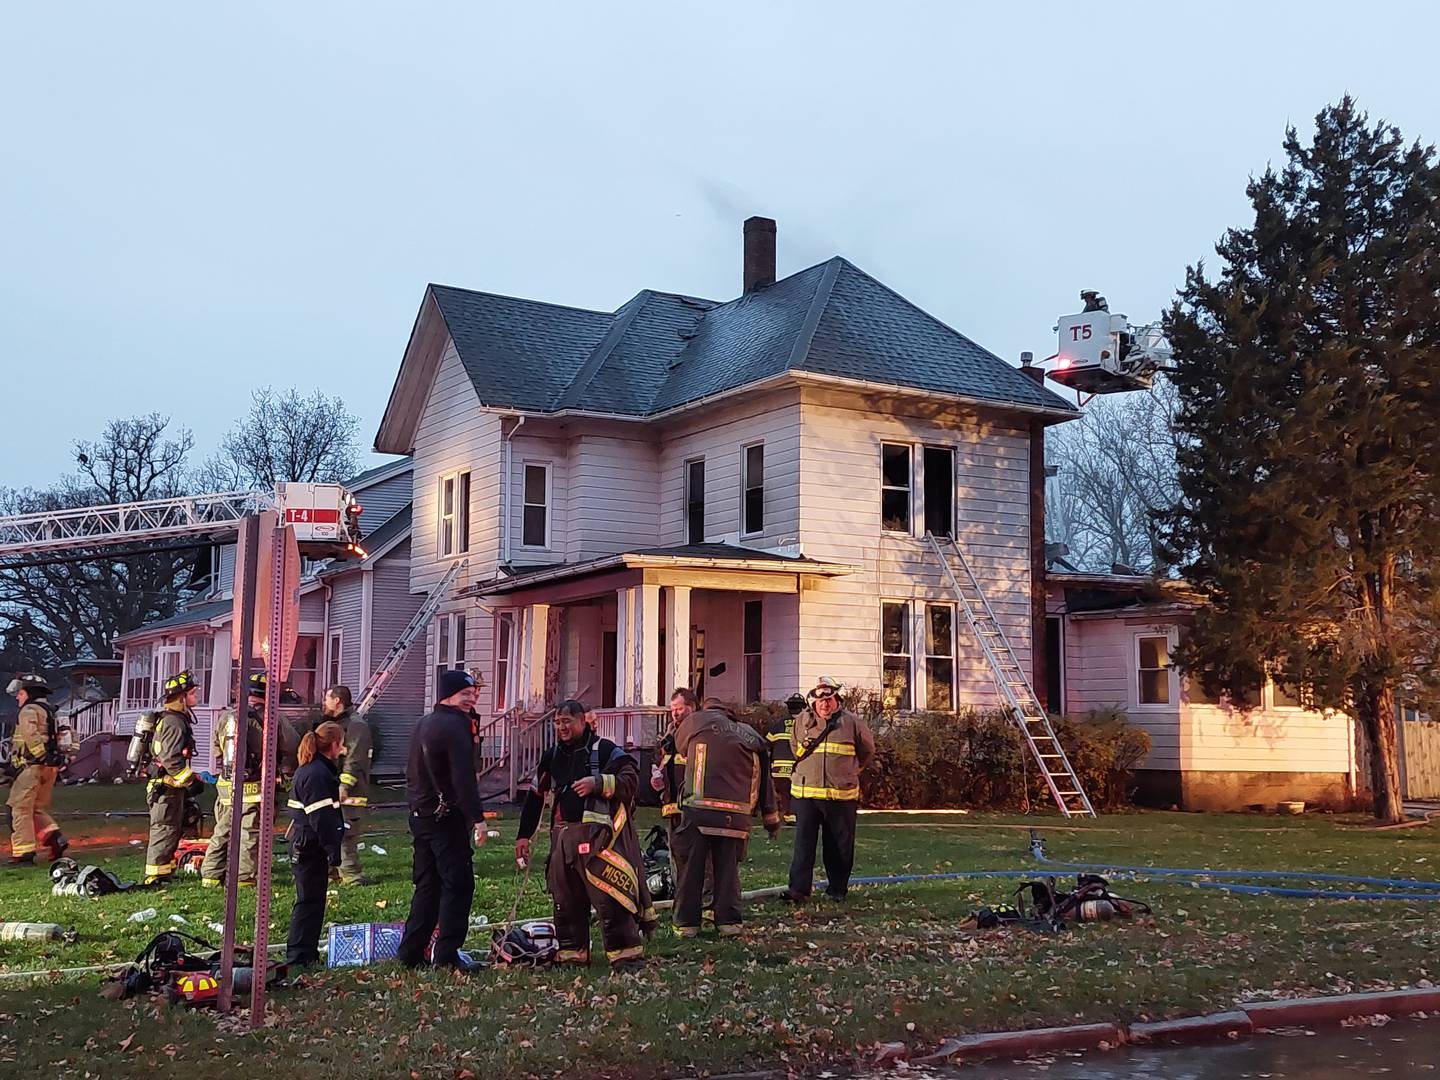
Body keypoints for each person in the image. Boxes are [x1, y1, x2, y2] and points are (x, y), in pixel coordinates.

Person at [515, 699, 648, 971]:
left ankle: (626, 958)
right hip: (562, 839)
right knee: (566, 902)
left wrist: (596, 783)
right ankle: (572, 958)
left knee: (610, 898)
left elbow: (632, 779)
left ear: (582, 721)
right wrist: (523, 836)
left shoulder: (605, 750)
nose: (562, 728)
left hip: (599, 841)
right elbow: (535, 796)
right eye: (557, 723)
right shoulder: (552, 756)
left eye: (567, 722)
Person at [397, 670, 488, 971]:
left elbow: (411, 772)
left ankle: (411, 952)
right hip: (445, 818)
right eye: (466, 694)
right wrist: (477, 818)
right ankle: (447, 955)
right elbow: (463, 778)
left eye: (474, 693)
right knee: (458, 884)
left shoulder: (424, 723)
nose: (472, 699)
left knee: (428, 885)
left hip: (420, 816)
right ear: (449, 695)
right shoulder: (454, 726)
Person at [671, 702, 780, 938]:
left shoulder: (696, 721)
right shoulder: (751, 735)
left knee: (691, 870)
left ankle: (686, 925)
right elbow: (765, 781)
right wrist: (771, 818)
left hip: (699, 810)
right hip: (736, 816)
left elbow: (680, 747)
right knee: (727, 871)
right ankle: (729, 923)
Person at [787, 676, 875, 903]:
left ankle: (837, 889)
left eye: (829, 700)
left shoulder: (852, 723)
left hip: (841, 796)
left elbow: (866, 751)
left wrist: (850, 772)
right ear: (813, 703)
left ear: (837, 700)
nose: (825, 705)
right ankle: (798, 890)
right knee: (803, 846)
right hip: (807, 794)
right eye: (820, 701)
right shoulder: (801, 722)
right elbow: (794, 747)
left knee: (839, 846)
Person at [285, 721, 346, 969]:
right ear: (333, 745)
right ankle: (300, 955)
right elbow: (321, 818)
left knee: (313, 901)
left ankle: (306, 953)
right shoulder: (317, 775)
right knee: (308, 902)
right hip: (309, 846)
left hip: (307, 843)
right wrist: (333, 850)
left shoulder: (315, 770)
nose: (342, 749)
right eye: (341, 744)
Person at [199, 673, 268, 889]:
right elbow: (291, 745)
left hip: (226, 787)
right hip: (252, 787)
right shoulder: (268, 718)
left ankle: (210, 875)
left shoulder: (225, 717)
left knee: (223, 830)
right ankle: (244, 878)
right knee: (248, 832)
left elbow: (216, 750)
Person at [144, 670, 204, 885]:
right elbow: (170, 758)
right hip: (166, 788)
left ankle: (165, 871)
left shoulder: (175, 720)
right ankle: (155, 876)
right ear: (182, 698)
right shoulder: (173, 722)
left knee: (173, 828)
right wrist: (190, 780)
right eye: (193, 693)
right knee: (164, 828)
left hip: (170, 787)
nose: (196, 696)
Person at [4, 675, 68, 867]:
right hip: (49, 770)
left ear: (29, 694)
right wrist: (59, 759)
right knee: (35, 808)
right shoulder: (52, 712)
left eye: (21, 693)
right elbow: (68, 738)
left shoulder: (29, 711)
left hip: (31, 767)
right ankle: (55, 838)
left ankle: (24, 853)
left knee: (18, 809)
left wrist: (41, 756)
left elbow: (30, 735)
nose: (17, 698)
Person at [323, 685, 373, 885]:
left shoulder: (356, 725)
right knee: (330, 831)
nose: (324, 702)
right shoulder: (338, 723)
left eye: (327, 698)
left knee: (346, 832)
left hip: (350, 792)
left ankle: (351, 876)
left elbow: (355, 759)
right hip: (332, 788)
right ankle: (332, 871)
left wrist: (344, 786)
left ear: (337, 701)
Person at [769, 693, 805, 825]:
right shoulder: (806, 724)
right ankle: (795, 816)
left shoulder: (778, 724)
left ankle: (789, 816)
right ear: (803, 707)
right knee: (797, 794)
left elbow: (767, 744)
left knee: (785, 794)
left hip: (778, 769)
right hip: (797, 768)